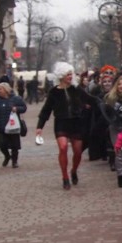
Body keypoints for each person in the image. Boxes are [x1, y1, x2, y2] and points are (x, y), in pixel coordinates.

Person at [36, 62, 97, 190]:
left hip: (76, 122)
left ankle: (74, 170)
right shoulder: (53, 92)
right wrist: (39, 126)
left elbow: (90, 99)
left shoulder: (76, 89)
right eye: (67, 74)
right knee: (63, 147)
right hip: (61, 123)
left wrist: (102, 104)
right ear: (61, 76)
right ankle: (65, 177)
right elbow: (46, 110)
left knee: (78, 152)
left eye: (71, 74)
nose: (70, 76)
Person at [0, 82, 27, 168]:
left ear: (6, 90)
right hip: (2, 126)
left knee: (15, 146)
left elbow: (24, 108)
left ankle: (14, 161)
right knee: (2, 146)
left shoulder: (16, 99)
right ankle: (7, 156)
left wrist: (17, 109)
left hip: (14, 126)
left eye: (0, 89)